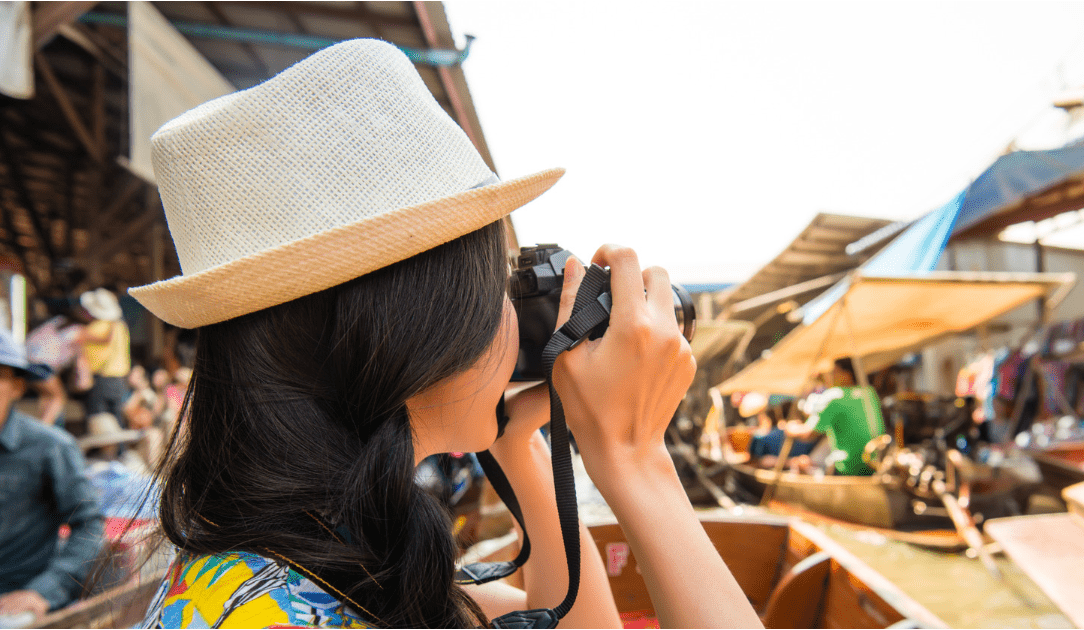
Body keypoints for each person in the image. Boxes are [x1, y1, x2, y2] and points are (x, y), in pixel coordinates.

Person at [128, 39, 762, 629]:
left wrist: (519, 445)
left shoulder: (294, 561)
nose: (511, 317)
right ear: (414, 325)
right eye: (495, 285)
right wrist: (634, 456)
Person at [0, 330, 105, 619]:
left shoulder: (50, 447)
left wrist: (44, 591)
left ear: (17, 387)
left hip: (15, 603)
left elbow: (89, 525)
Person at [787, 357, 885, 476]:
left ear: (847, 374)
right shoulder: (869, 392)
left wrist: (791, 429)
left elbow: (808, 434)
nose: (831, 376)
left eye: (835, 372)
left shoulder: (835, 396)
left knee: (804, 465)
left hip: (847, 468)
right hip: (874, 463)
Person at [76, 288, 132, 423]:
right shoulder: (121, 327)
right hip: (119, 381)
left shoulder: (93, 329)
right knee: (118, 423)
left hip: (100, 381)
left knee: (99, 424)